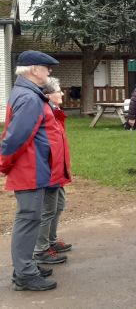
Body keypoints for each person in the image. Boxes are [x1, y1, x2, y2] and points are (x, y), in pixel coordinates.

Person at [1, 50, 65, 291]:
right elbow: (14, 139)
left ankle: (25, 267)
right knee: (28, 221)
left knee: (31, 219)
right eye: (46, 68)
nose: (49, 72)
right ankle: (25, 274)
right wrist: (4, 164)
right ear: (34, 70)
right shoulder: (29, 98)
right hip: (28, 170)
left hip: (34, 168)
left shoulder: (29, 94)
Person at [33, 78, 74, 266]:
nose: (63, 93)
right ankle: (40, 249)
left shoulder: (54, 112)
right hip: (49, 170)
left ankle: (50, 240)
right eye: (59, 90)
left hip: (58, 169)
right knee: (48, 209)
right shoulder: (44, 112)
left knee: (58, 205)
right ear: (48, 95)